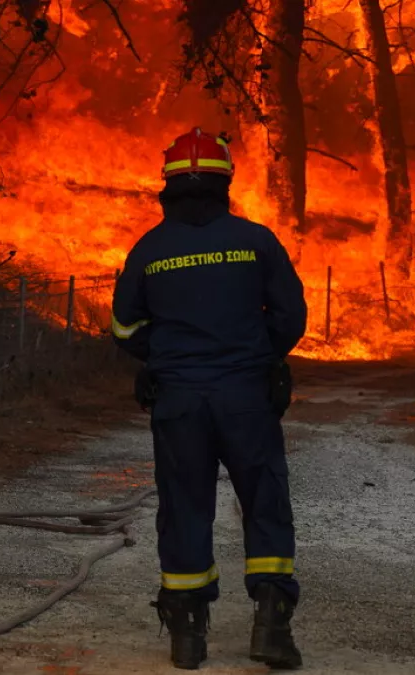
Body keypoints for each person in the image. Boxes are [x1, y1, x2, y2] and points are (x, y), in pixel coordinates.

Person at [110, 127, 308, 670]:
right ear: (225, 183)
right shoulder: (256, 242)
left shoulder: (149, 250)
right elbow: (291, 316)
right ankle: (271, 628)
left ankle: (187, 637)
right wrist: (263, 357)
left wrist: (162, 358)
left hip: (178, 402)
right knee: (264, 500)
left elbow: (123, 327)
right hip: (247, 397)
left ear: (168, 185)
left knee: (184, 507)